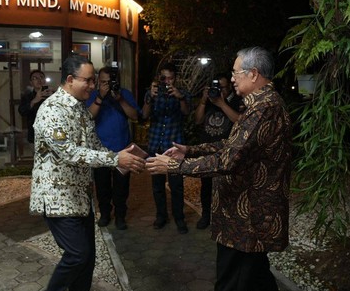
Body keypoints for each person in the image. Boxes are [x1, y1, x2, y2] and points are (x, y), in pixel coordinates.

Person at [146, 47, 302, 291]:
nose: (231, 77)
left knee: (230, 284)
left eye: (236, 72)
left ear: (254, 75)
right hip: (247, 215)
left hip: (247, 218)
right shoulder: (260, 105)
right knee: (258, 279)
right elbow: (232, 145)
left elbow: (228, 160)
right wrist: (189, 149)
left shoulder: (264, 109)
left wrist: (175, 168)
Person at [30, 55, 146, 291]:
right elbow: (69, 153)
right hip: (56, 197)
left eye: (94, 79)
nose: (93, 85)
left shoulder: (81, 110)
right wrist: (115, 160)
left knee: (88, 258)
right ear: (70, 80)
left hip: (80, 197)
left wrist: (122, 159)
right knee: (77, 254)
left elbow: (95, 145)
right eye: (89, 80)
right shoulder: (52, 110)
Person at [86, 66, 142, 231]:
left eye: (110, 82)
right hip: (100, 150)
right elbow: (89, 117)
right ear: (97, 81)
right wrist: (101, 97)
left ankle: (120, 216)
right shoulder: (93, 95)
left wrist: (119, 99)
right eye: (103, 82)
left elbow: (135, 116)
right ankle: (104, 214)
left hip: (122, 149)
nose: (107, 85)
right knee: (102, 186)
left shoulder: (124, 94)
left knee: (121, 187)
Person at [141, 63, 191, 234]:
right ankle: (161, 215)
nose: (167, 81)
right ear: (159, 78)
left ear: (175, 78)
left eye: (170, 78)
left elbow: (186, 113)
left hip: (174, 146)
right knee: (157, 185)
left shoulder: (182, 94)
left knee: (176, 185)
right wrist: (150, 98)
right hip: (156, 144)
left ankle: (179, 218)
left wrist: (180, 97)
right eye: (164, 78)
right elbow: (145, 115)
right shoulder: (152, 93)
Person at [193, 73, 243, 229]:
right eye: (215, 87)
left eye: (221, 87)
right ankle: (206, 215)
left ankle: (227, 217)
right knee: (206, 185)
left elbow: (240, 122)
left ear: (229, 87)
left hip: (227, 152)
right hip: (207, 150)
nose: (218, 90)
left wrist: (222, 104)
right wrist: (203, 101)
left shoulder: (237, 101)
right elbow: (197, 120)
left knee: (227, 185)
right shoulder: (208, 101)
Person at [18, 69, 55, 143]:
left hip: (53, 134)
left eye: (41, 77)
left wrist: (55, 97)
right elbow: (22, 112)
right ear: (31, 83)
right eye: (35, 78)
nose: (39, 80)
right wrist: (34, 101)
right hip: (35, 135)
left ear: (45, 80)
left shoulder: (53, 94)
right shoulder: (27, 97)